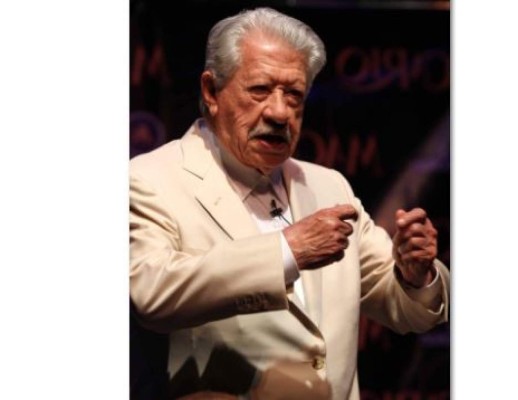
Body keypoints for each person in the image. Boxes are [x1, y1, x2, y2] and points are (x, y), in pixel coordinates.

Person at [130, 7, 450, 400]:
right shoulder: (151, 178)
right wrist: (286, 251)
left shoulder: (328, 185)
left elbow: (406, 309)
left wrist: (415, 275)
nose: (280, 112)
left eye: (294, 95)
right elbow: (151, 292)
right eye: (260, 90)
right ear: (212, 92)